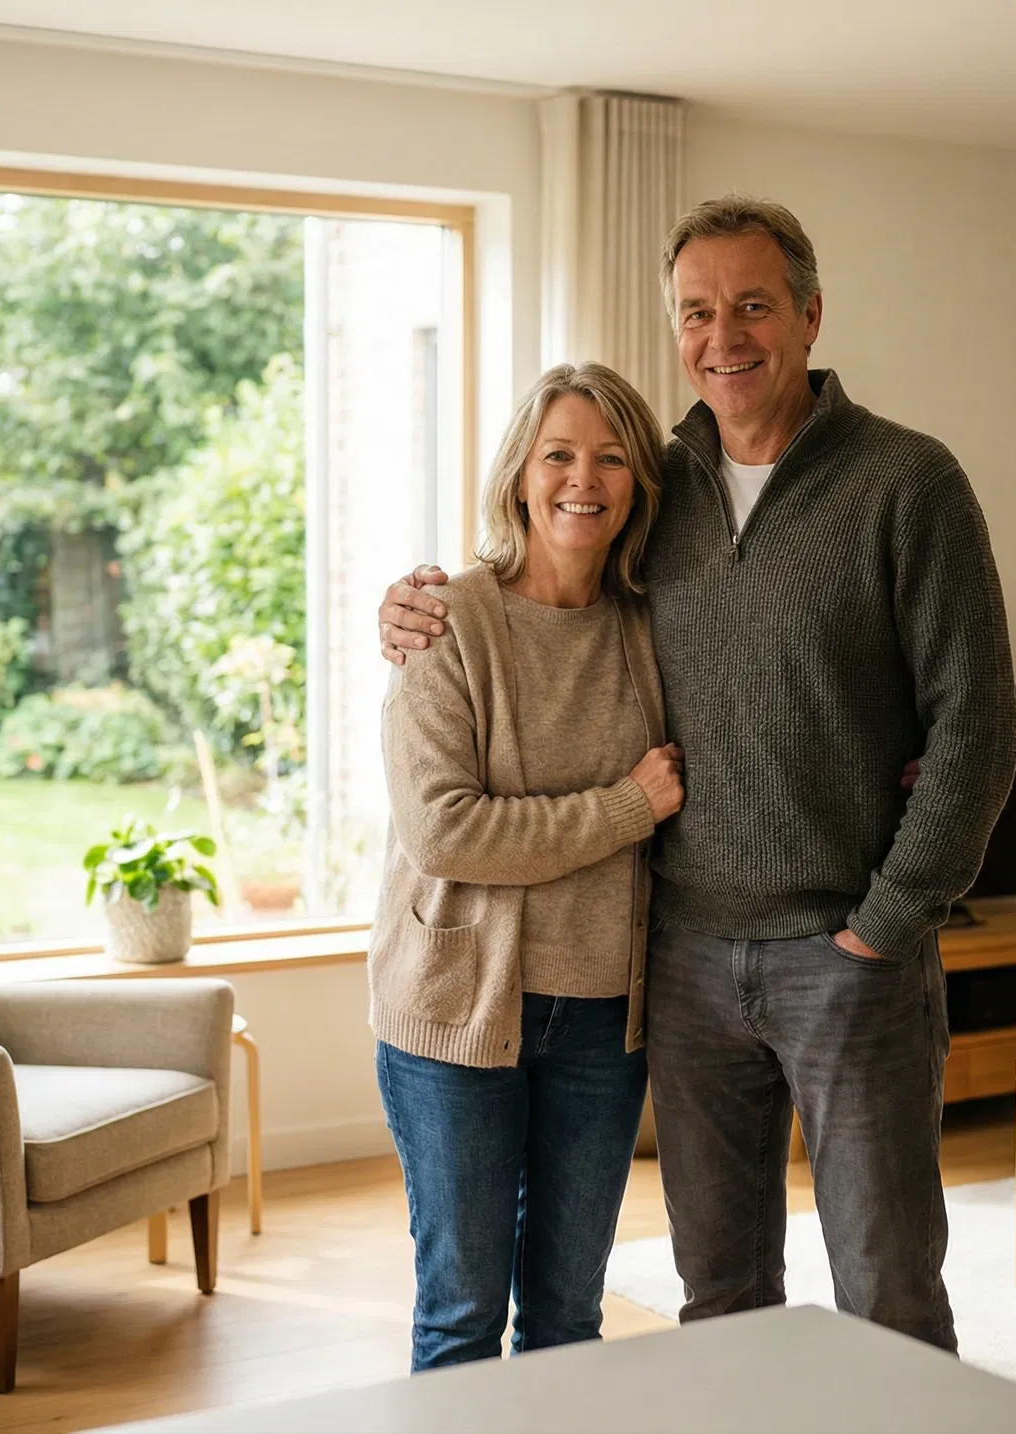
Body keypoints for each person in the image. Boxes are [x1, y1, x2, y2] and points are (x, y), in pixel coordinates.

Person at [379, 196, 1016, 1352]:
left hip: (847, 956)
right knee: (718, 1298)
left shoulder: (907, 482)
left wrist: (887, 923)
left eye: (753, 305)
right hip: (681, 965)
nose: (723, 336)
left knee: (886, 1289)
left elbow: (976, 726)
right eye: (696, 312)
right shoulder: (658, 492)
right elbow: (547, 572)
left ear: (811, 315)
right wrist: (413, 603)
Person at [371, 361, 685, 1372]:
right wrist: (625, 807)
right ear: (518, 474)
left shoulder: (651, 627)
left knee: (567, 1319)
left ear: (638, 485)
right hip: (456, 1015)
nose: (582, 480)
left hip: (602, 1021)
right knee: (460, 1317)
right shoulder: (446, 622)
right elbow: (445, 833)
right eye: (558, 455)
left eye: (611, 458)